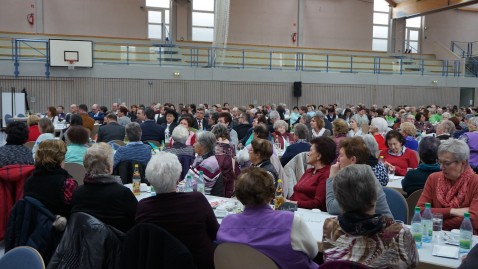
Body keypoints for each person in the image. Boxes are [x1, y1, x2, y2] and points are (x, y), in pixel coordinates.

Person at [217, 167, 319, 269]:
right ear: (271, 194)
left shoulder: (227, 223)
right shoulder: (290, 222)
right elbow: (314, 253)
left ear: (239, 196)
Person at [322, 164, 418, 268]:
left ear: (339, 200)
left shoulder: (330, 226)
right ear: (375, 194)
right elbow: (414, 263)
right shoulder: (399, 233)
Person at [136, 152, 219, 269]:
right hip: (197, 263)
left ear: (150, 180)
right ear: (178, 179)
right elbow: (215, 233)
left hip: (161, 263)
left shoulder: (143, 207)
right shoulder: (197, 200)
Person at [71, 143, 137, 232]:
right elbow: (137, 219)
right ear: (109, 166)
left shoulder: (77, 193)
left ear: (86, 165)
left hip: (86, 243)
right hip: (118, 243)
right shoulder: (122, 193)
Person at [417, 139, 478, 233]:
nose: (441, 167)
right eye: (439, 162)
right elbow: (420, 212)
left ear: (463, 163)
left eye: (447, 163)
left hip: (466, 240)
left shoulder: (475, 182)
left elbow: (474, 220)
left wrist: (436, 223)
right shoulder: (433, 179)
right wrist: (452, 211)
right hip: (436, 238)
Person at [326, 138, 393, 218]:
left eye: (341, 155)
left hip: (379, 227)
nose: (338, 159)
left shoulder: (360, 178)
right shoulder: (363, 172)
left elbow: (332, 208)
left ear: (353, 159)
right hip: (368, 225)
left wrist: (332, 177)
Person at [23, 140, 77, 217]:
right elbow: (74, 209)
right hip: (59, 226)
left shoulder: (29, 180)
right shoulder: (67, 183)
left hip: (33, 225)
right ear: (60, 158)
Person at [289, 137, 335, 210]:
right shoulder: (309, 171)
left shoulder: (326, 174)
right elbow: (296, 194)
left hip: (308, 214)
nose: (308, 154)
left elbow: (318, 203)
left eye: (310, 151)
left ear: (319, 156)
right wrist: (285, 202)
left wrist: (291, 203)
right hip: (295, 209)